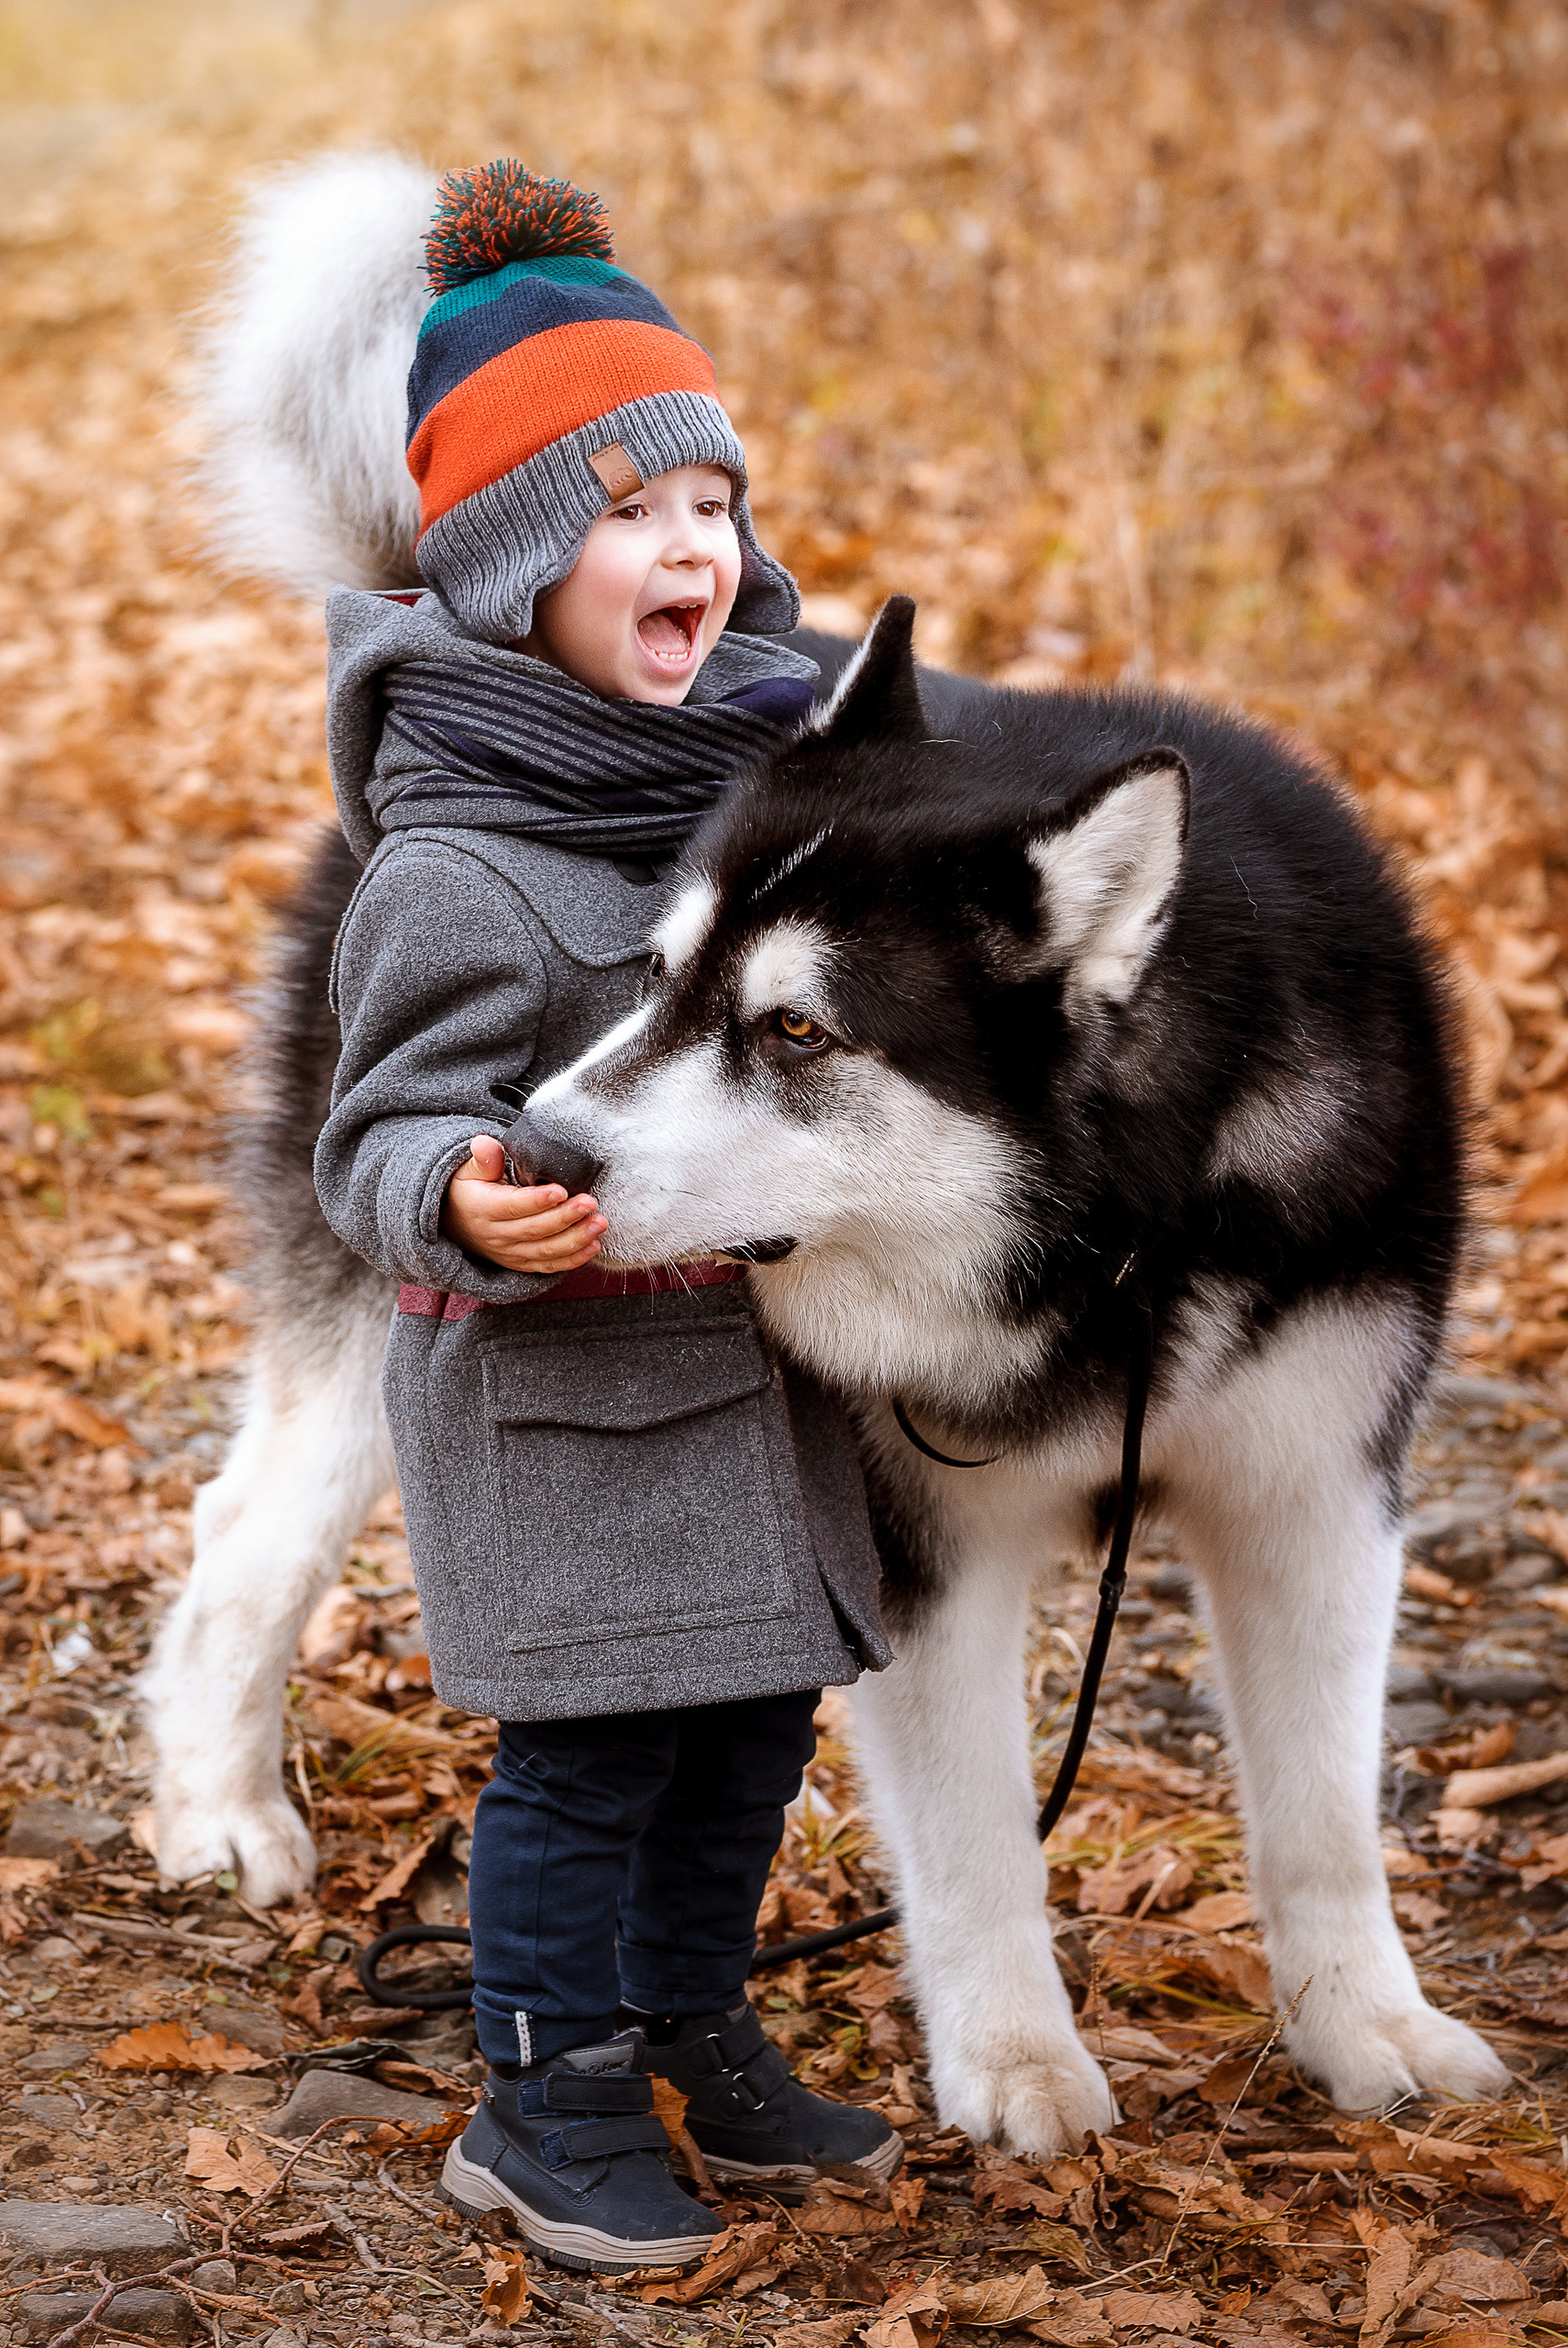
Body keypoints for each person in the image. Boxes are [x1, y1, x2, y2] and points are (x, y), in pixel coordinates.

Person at [312, 159, 899, 2276]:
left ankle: (690, 2014)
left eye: (713, 506)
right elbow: (369, 1139)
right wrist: (458, 1196)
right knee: (589, 1761)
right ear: (504, 567)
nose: (693, 547)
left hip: (749, 1391)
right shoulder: (460, 868)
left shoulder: (759, 806)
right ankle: (545, 2086)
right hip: (567, 1411)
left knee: (749, 1726)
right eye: (631, 509)